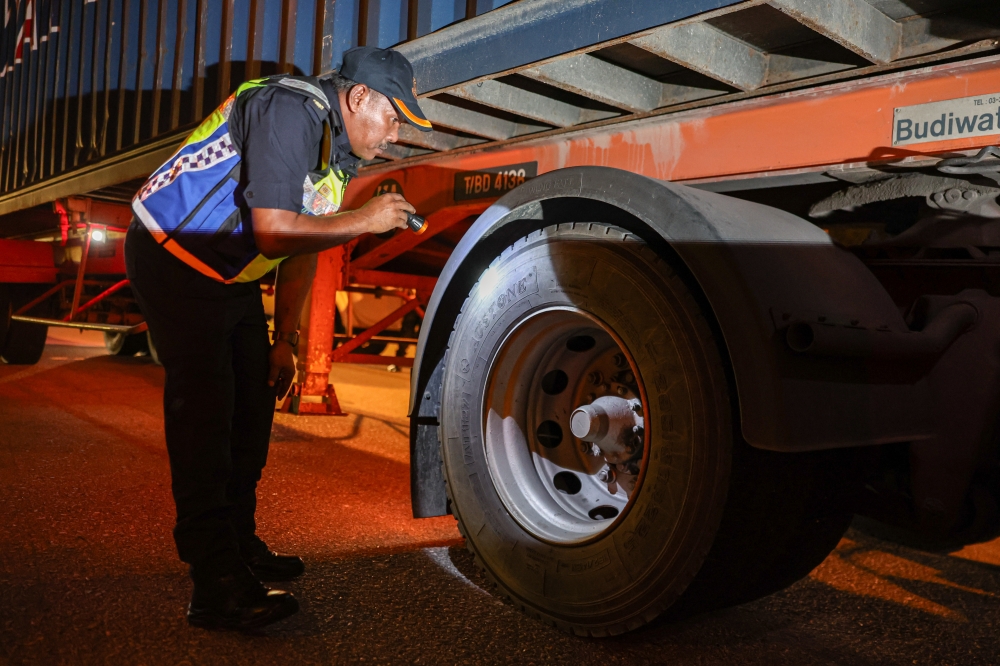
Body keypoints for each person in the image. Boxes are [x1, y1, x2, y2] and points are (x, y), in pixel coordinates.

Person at [124, 46, 432, 631]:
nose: (394, 134)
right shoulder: (289, 110)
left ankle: (239, 544)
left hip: (227, 274)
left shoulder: (337, 158)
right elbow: (272, 232)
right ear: (359, 96)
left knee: (254, 401)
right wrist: (367, 219)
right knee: (208, 413)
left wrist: (284, 338)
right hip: (173, 254)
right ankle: (214, 582)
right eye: (394, 117)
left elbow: (301, 247)